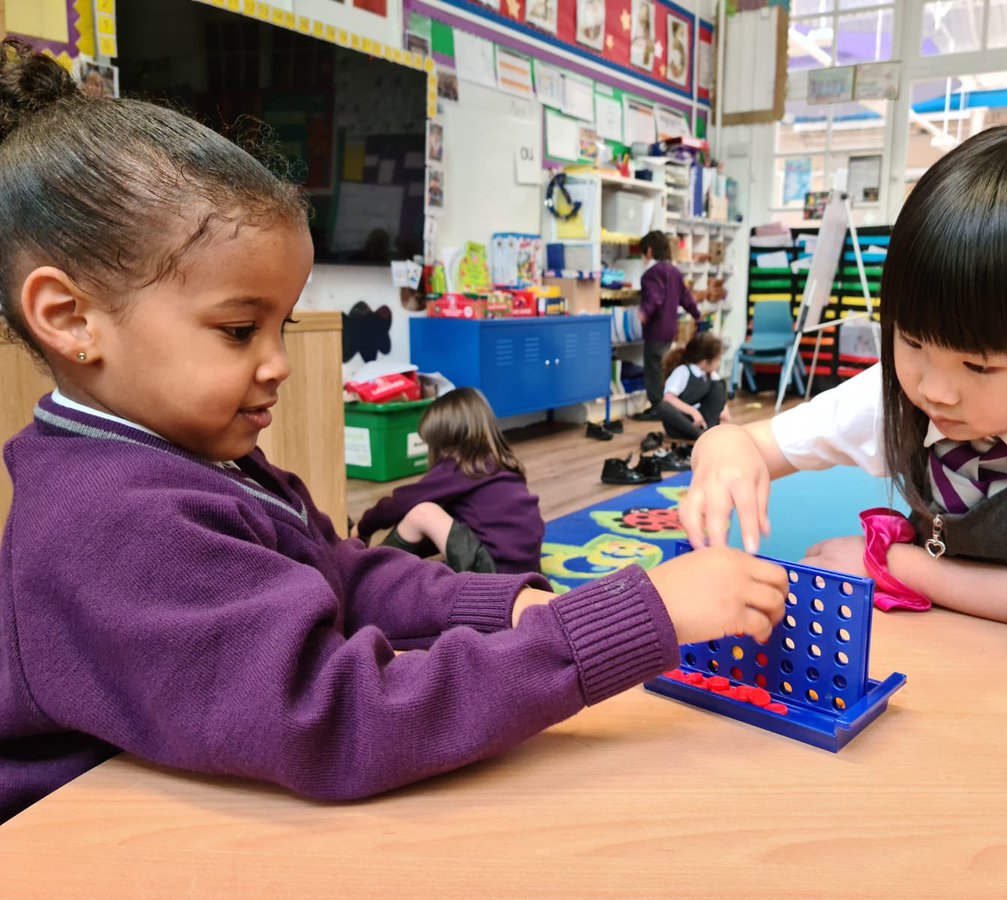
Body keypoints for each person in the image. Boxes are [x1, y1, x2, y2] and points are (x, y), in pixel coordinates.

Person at [0, 40, 788, 823]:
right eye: (240, 330)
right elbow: (344, 718)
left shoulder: (187, 457)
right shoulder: (112, 524)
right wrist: (623, 621)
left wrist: (498, 609)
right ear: (70, 319)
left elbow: (340, 571)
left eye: (283, 325)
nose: (278, 364)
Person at [679, 120, 1007, 628]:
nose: (933, 389)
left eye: (979, 364)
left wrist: (892, 565)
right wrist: (723, 450)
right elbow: (756, 443)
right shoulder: (906, 390)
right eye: (912, 340)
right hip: (938, 644)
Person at [353, 387, 544, 575]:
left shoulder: (461, 466)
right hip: (526, 570)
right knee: (444, 515)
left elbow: (400, 502)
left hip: (496, 576)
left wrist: (363, 527)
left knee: (423, 513)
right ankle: (383, 561)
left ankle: (372, 572)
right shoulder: (498, 465)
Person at [632, 230, 703, 421]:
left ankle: (657, 406)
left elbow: (654, 298)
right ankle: (666, 405)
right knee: (663, 368)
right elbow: (686, 298)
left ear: (648, 251)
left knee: (653, 369)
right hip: (670, 329)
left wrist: (643, 313)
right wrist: (698, 315)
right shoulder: (674, 272)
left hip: (655, 329)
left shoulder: (651, 274)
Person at [659, 331, 731, 442]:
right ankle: (701, 435)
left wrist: (724, 410)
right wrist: (693, 412)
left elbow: (720, 398)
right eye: (717, 359)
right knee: (663, 406)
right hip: (683, 424)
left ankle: (709, 431)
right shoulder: (683, 371)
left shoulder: (712, 375)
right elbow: (669, 398)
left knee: (719, 386)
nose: (719, 363)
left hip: (702, 422)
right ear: (704, 362)